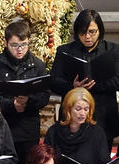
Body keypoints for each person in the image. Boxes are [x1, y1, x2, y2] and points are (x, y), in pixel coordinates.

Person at [0, 21, 50, 164]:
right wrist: (11, 105)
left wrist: (28, 101)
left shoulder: (38, 65)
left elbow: (44, 96)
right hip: (1, 127)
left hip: (28, 129)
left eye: (24, 44)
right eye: (14, 45)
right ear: (5, 43)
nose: (20, 49)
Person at [50, 9, 119, 150]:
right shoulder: (64, 51)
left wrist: (95, 86)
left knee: (101, 162)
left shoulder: (112, 50)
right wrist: (73, 86)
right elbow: (54, 81)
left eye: (92, 32)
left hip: (103, 115)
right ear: (76, 32)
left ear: (100, 30)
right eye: (83, 32)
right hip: (72, 118)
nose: (87, 37)